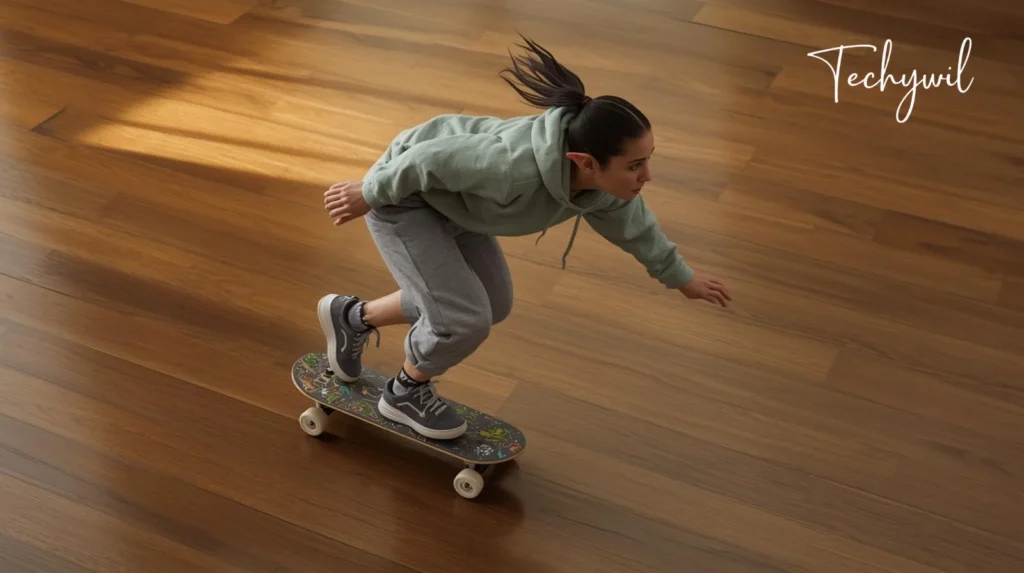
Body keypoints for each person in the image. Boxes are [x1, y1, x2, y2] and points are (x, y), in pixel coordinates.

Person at [318, 36, 732, 440]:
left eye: (648, 160)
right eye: (635, 165)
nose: (647, 176)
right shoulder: (512, 167)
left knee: (491, 302)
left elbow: (637, 228)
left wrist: (682, 278)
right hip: (403, 197)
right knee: (463, 319)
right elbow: (426, 160)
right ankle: (405, 391)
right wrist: (369, 192)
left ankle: (352, 318)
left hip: (459, 205)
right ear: (586, 162)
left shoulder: (601, 188)